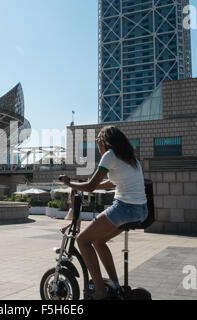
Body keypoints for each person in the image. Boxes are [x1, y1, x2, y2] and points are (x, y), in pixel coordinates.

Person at [59, 126, 148, 300]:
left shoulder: (110, 155)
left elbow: (91, 187)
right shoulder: (130, 159)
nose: (98, 145)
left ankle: (100, 292)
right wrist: (77, 183)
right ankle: (115, 286)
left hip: (124, 208)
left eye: (98, 141)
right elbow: (108, 183)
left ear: (105, 142)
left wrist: (70, 184)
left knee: (83, 240)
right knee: (99, 241)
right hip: (141, 210)